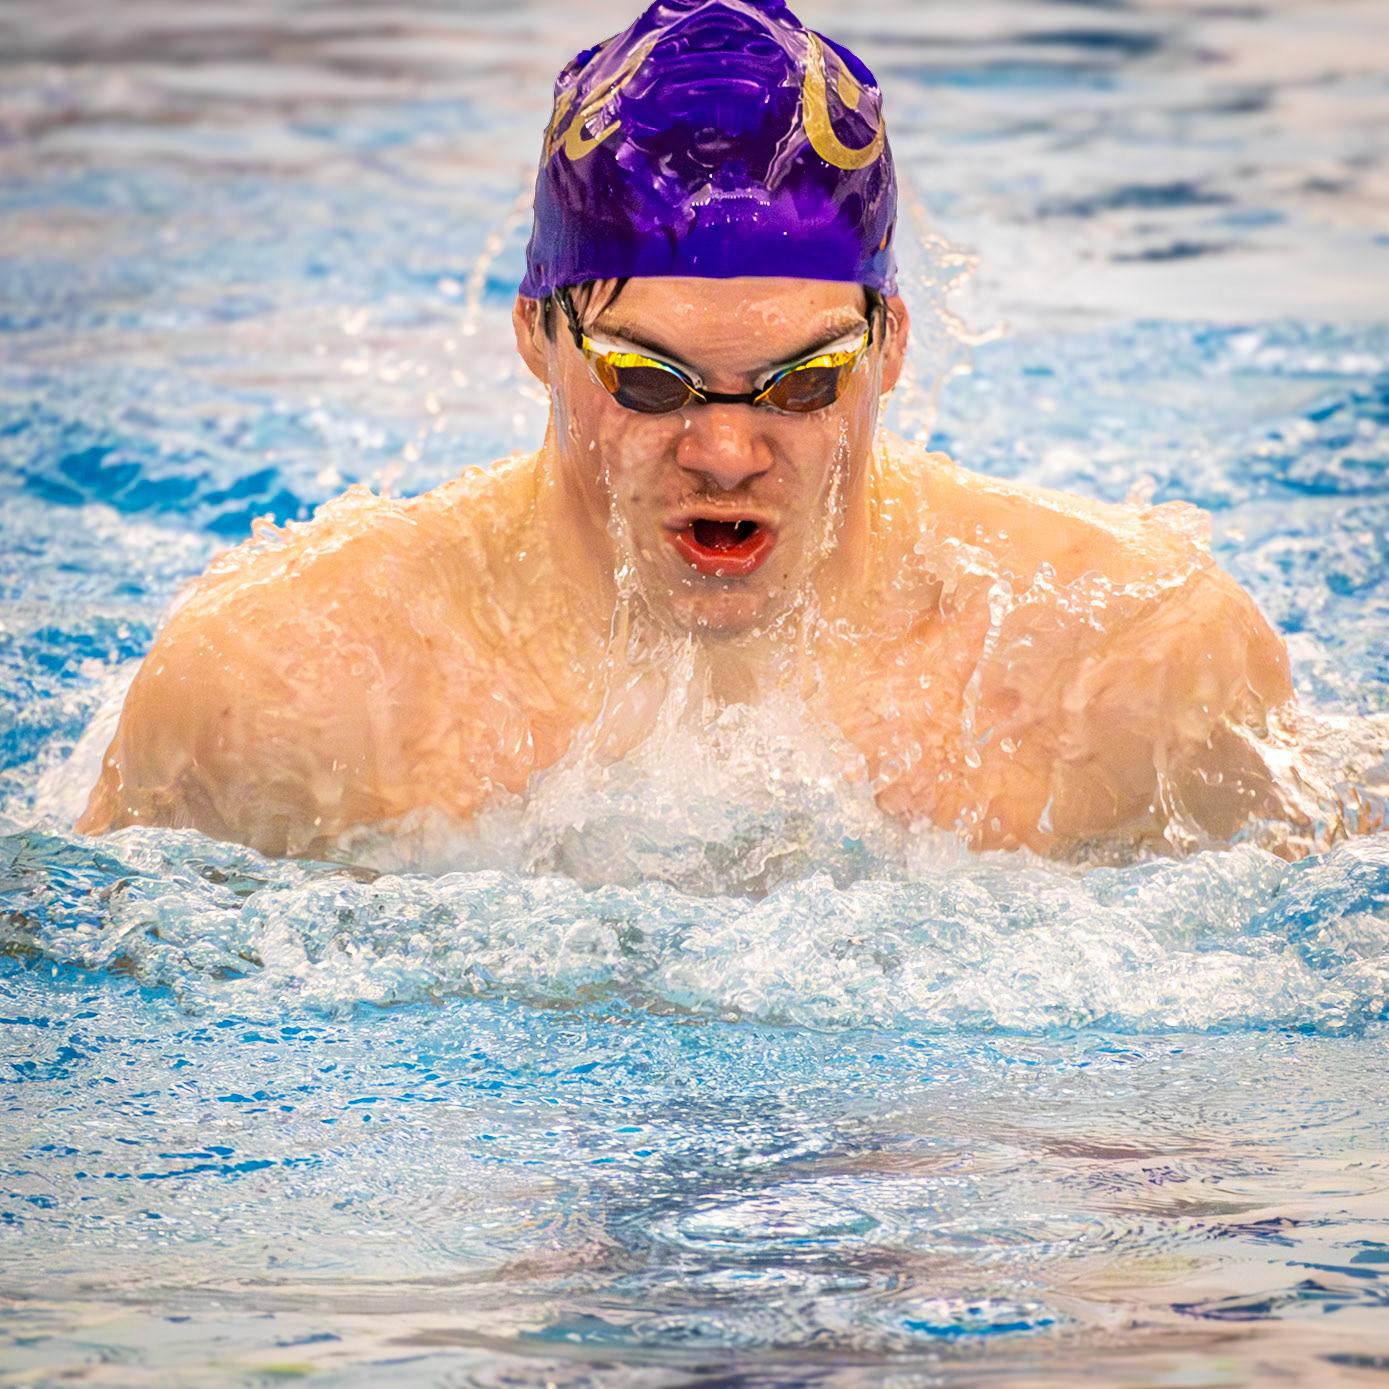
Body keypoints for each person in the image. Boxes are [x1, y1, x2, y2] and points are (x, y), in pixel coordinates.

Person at [77, 0, 1312, 863]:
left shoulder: (1132, 662)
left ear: (889, 346)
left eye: (804, 381)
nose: (726, 451)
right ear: (535, 335)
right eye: (652, 382)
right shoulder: (285, 685)